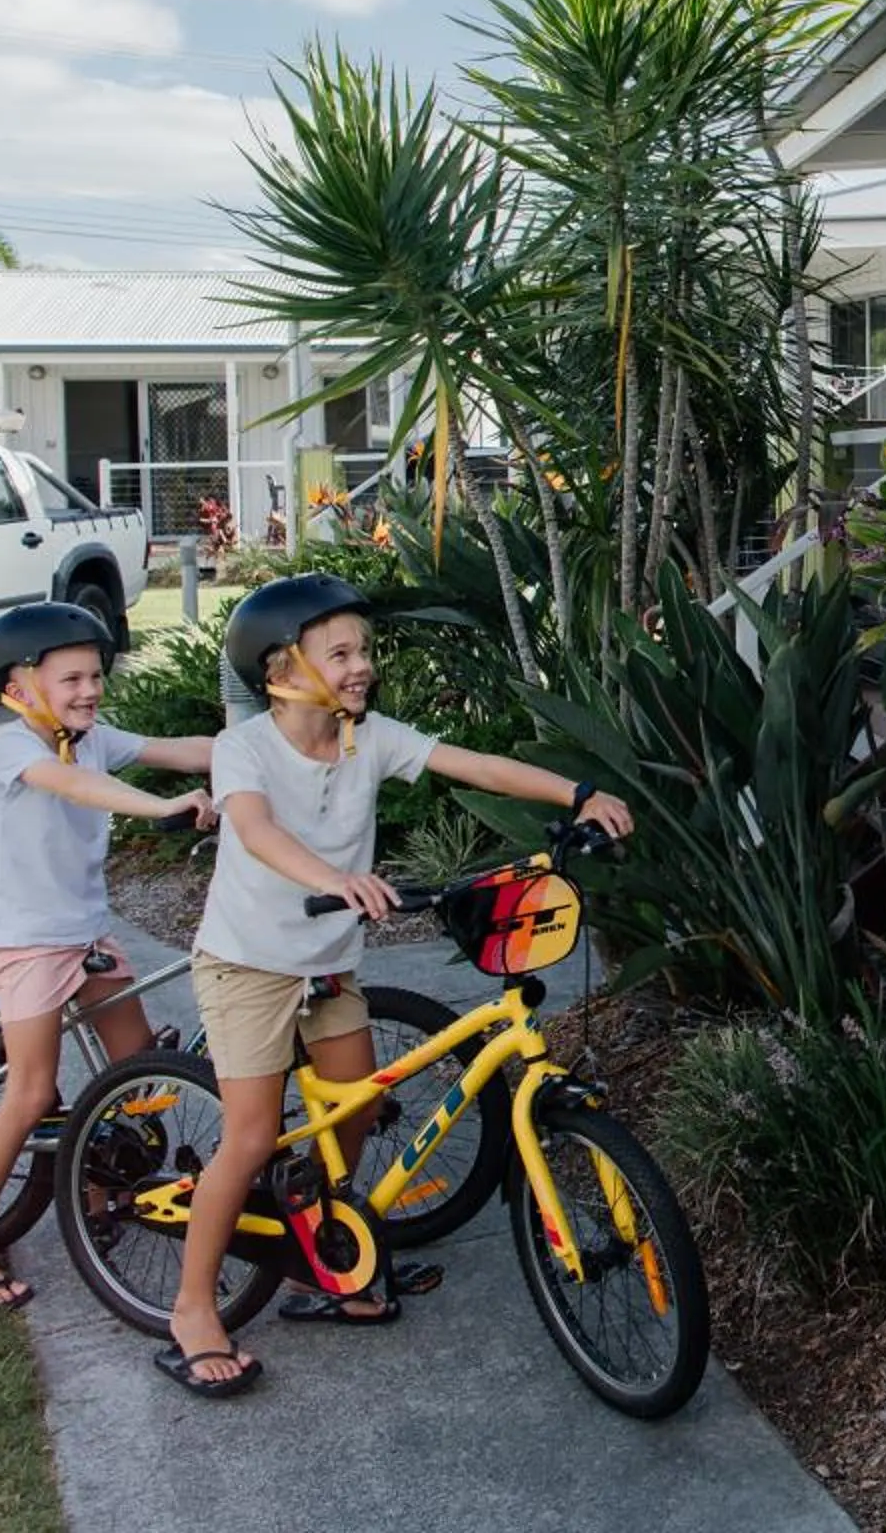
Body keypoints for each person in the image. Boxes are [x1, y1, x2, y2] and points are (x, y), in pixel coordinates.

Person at [158, 572, 634, 1397]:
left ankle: (317, 1255)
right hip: (247, 964)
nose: (361, 666)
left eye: (364, 650)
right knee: (248, 1135)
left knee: (353, 1109)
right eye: (339, 652)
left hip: (327, 963)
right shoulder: (247, 748)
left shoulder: (368, 738)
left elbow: (474, 765)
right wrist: (334, 879)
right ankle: (194, 1306)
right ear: (280, 671)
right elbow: (259, 831)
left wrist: (577, 793)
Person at [0, 601, 214, 1313]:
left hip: (86, 937)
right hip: (26, 944)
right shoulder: (16, 749)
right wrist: (162, 809)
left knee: (138, 1071)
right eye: (72, 679)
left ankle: (99, 1194)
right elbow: (79, 788)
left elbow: (171, 748)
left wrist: (262, 753)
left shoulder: (89, 738)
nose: (89, 690)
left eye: (95, 676)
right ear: (20, 686)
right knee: (31, 1093)